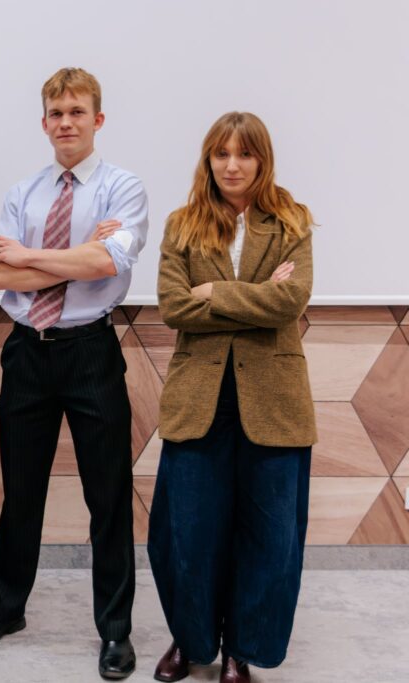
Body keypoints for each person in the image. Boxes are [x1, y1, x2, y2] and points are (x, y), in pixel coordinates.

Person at [0, 67, 149, 680]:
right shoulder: (24, 193)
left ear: (97, 119)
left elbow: (108, 263)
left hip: (90, 352)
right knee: (21, 492)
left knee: (108, 496)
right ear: (44, 122)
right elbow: (0, 276)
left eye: (77, 112)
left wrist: (32, 255)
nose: (66, 122)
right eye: (56, 113)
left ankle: (115, 630)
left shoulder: (123, 188)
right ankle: (6, 610)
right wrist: (75, 257)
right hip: (27, 352)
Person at [148, 112, 315, 683]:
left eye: (245, 154)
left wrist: (215, 291)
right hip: (199, 398)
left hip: (275, 401)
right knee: (188, 530)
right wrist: (256, 297)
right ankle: (191, 641)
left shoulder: (292, 221)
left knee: (269, 534)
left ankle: (243, 650)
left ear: (262, 159)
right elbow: (174, 306)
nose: (232, 165)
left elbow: (290, 302)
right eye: (222, 154)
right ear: (208, 159)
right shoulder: (182, 225)